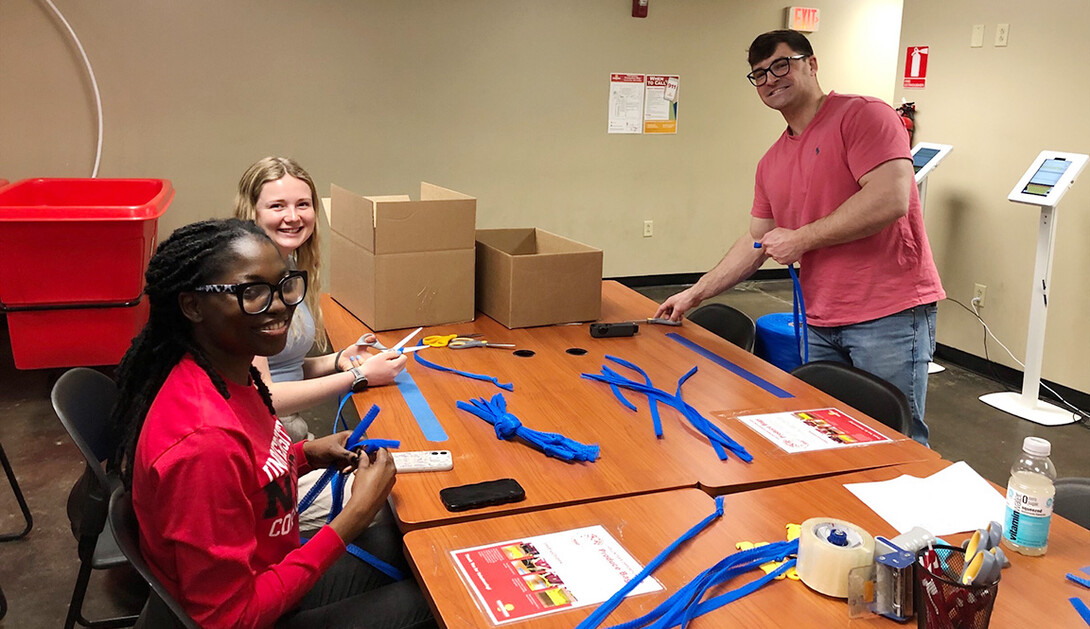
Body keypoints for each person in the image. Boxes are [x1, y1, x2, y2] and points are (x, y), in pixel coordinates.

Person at [110, 218, 435, 629]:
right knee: (438, 599)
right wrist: (353, 516)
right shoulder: (203, 442)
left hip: (268, 571)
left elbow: (248, 477)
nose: (280, 304)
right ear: (192, 306)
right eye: (253, 292)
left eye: (284, 285)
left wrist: (306, 454)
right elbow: (230, 619)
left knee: (424, 549)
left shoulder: (230, 374)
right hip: (250, 614)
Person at [655, 30, 944, 446]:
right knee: (826, 436)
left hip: (888, 314)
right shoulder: (771, 161)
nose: (770, 79)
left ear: (812, 64)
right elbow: (757, 240)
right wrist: (694, 294)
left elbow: (890, 199)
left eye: (781, 64)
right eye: (759, 74)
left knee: (895, 441)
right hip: (820, 319)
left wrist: (802, 239)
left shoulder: (863, 116)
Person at [234, 156, 406, 442]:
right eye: (277, 206)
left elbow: (284, 367)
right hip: (261, 442)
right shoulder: (248, 286)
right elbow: (265, 396)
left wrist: (339, 359)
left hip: (288, 431)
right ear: (252, 213)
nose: (293, 216)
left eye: (302, 204)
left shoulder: (285, 269)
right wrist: (359, 376)